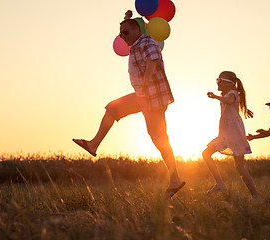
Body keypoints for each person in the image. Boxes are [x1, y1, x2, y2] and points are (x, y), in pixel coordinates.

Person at [72, 11, 185, 198]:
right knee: (119, 112)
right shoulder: (137, 44)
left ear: (136, 30)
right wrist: (126, 19)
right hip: (144, 96)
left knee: (157, 137)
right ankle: (93, 144)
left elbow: (153, 60)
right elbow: (133, 30)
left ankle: (175, 179)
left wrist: (147, 83)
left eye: (125, 33)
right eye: (120, 34)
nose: (122, 37)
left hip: (152, 96)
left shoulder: (146, 41)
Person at [202, 71, 261, 201]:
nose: (217, 83)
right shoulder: (230, 94)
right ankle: (220, 183)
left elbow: (230, 100)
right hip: (226, 133)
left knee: (239, 167)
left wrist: (216, 97)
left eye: (220, 81)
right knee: (207, 155)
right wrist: (245, 108)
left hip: (233, 134)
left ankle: (255, 195)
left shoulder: (232, 94)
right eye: (217, 80)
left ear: (229, 84)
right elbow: (233, 103)